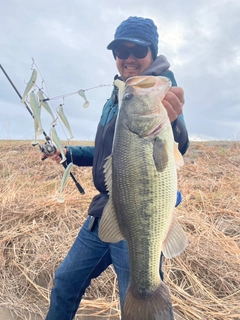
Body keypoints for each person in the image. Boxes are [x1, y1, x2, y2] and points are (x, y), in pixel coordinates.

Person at [45, 16, 189, 320]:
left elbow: (177, 142)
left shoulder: (159, 91)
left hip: (139, 217)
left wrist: (173, 122)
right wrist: (70, 154)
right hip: (105, 211)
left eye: (138, 50)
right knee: (65, 281)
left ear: (152, 52)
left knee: (137, 301)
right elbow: (107, 153)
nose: (129, 58)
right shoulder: (118, 97)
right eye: (121, 52)